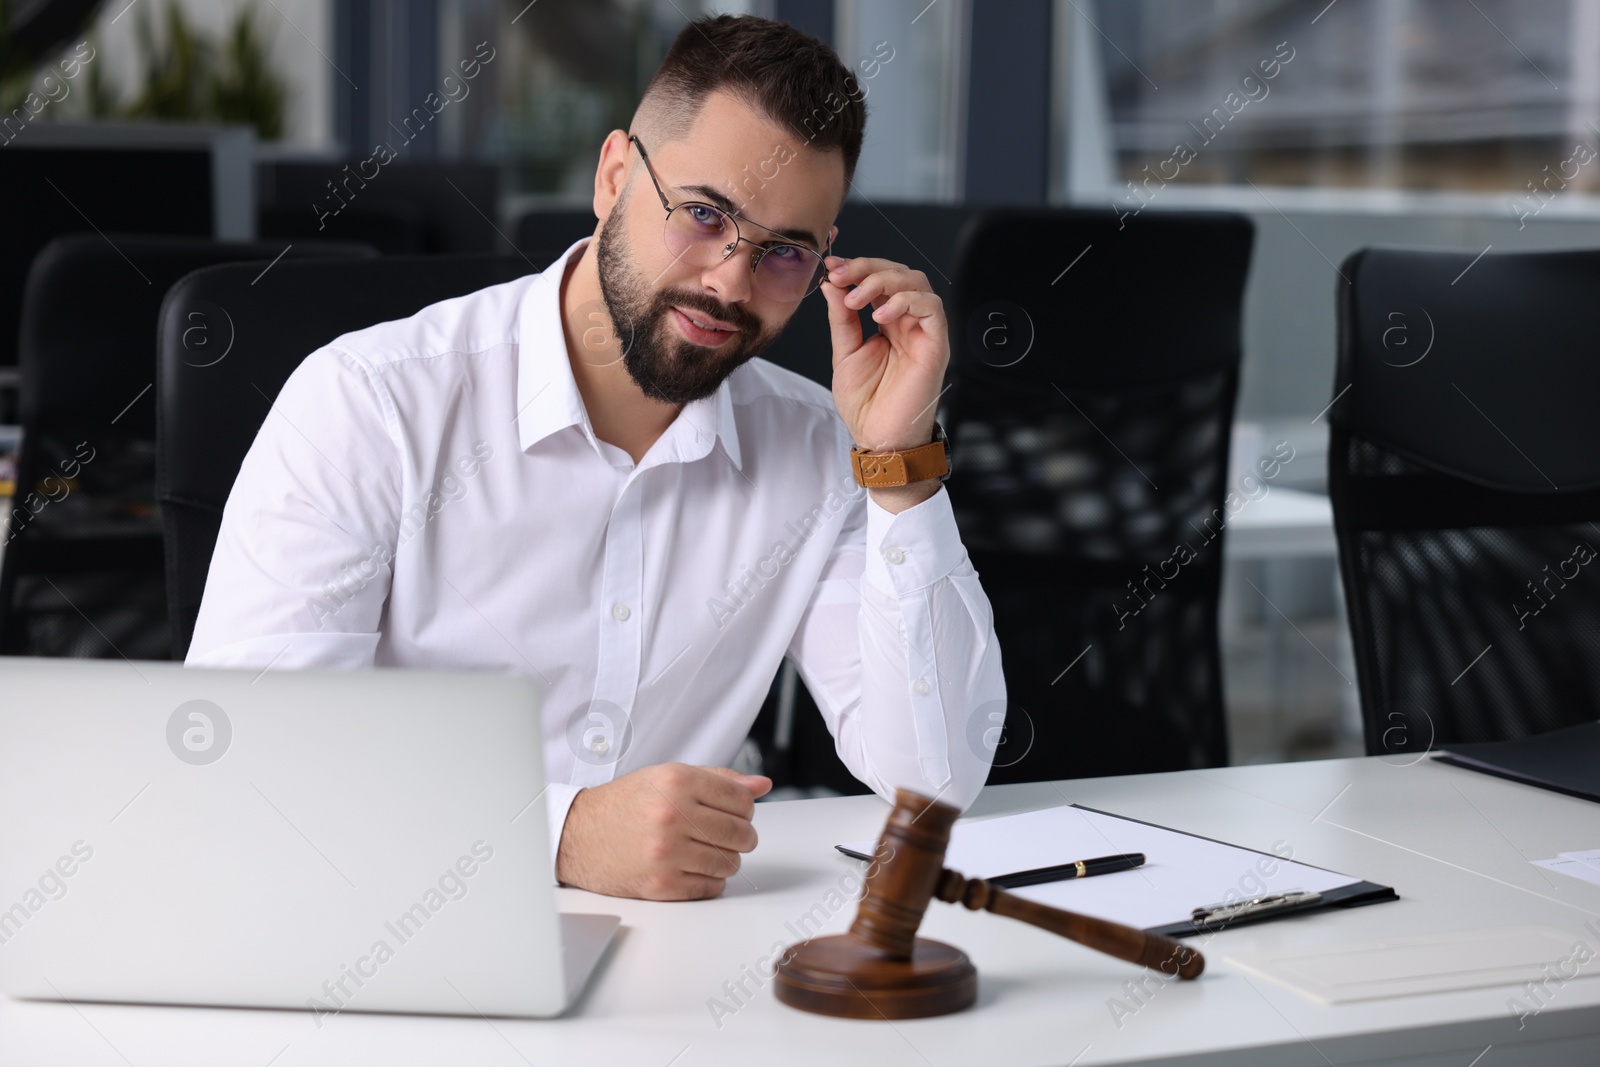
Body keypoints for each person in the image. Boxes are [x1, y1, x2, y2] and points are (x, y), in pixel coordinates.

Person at [187, 14, 1005, 901]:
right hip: (386, 929)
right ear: (614, 175)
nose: (730, 282)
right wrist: (559, 833)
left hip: (679, 971)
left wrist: (901, 466)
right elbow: (246, 763)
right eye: (703, 214)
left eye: (782, 252)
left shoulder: (819, 448)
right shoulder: (370, 402)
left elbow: (934, 780)